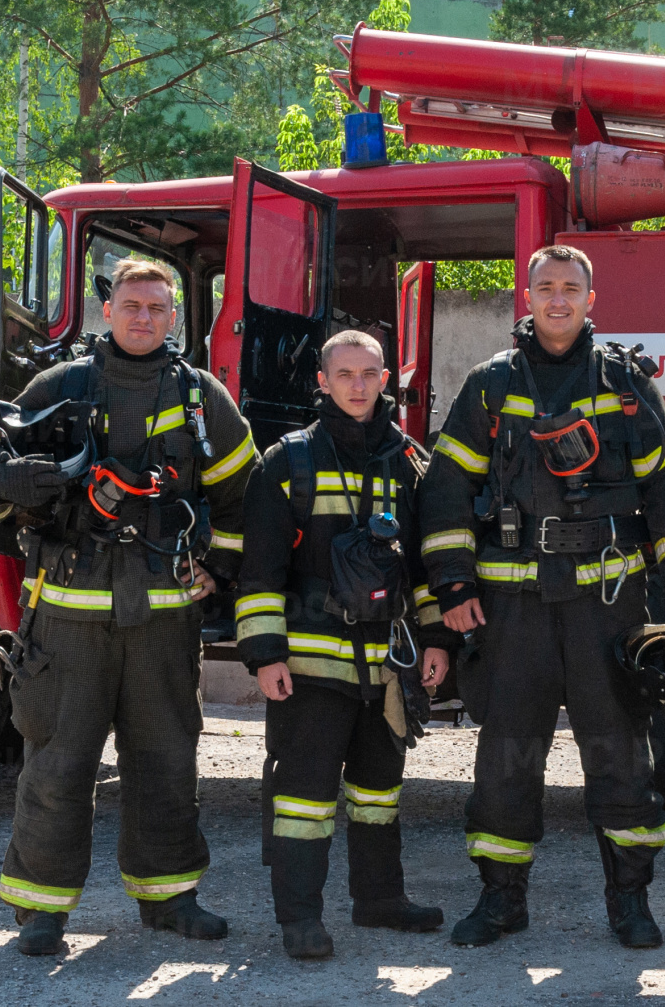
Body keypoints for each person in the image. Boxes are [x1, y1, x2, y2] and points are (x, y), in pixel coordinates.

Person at [0, 257, 255, 956]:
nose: (143, 317)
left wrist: (219, 565)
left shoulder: (200, 399)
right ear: (109, 310)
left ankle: (171, 898)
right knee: (57, 763)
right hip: (66, 619)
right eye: (131, 304)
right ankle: (41, 912)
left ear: (176, 316)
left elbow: (248, 493)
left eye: (157, 306)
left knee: (166, 759)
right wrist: (8, 477)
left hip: (161, 623)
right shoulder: (59, 387)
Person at [418, 244, 665, 949]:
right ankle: (500, 899)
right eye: (547, 287)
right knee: (507, 753)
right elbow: (446, 488)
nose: (560, 299)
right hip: (514, 605)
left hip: (609, 600)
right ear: (528, 294)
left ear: (591, 298)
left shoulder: (628, 385)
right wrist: (453, 586)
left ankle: (630, 902)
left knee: (620, 750)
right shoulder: (490, 385)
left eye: (573, 287)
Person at [235, 330, 456, 959]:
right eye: (344, 374)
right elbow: (260, 572)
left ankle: (379, 900)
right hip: (308, 665)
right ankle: (300, 919)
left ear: (386, 379)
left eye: (368, 374)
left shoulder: (411, 463)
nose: (357, 385)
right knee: (304, 796)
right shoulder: (287, 462)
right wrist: (265, 652)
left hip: (388, 665)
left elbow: (425, 566)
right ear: (322, 382)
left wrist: (437, 640)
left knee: (378, 789)